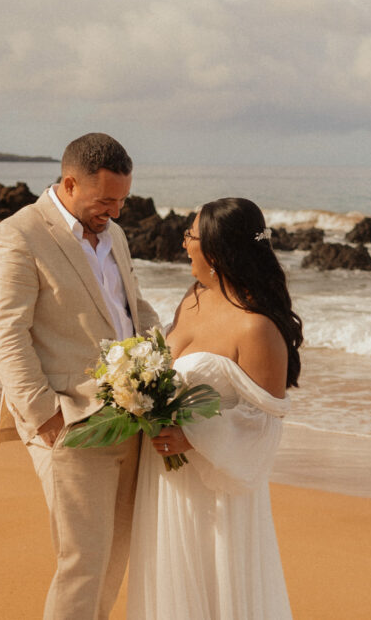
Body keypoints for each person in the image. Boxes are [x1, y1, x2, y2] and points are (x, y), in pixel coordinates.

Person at [0, 132, 160, 620]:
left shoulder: (115, 235)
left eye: (122, 200)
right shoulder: (16, 235)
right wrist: (46, 418)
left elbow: (132, 307)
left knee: (111, 563)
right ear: (69, 183)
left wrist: (161, 370)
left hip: (131, 418)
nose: (117, 212)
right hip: (71, 423)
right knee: (82, 564)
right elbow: (6, 334)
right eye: (106, 200)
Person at [127, 197, 302, 620]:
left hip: (217, 490)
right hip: (166, 481)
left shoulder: (256, 327)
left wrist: (192, 435)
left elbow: (264, 424)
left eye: (192, 236)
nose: (184, 243)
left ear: (219, 250)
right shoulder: (193, 299)